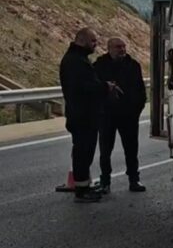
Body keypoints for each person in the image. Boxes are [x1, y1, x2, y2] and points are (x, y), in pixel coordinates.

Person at [60, 28, 121, 203]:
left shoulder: (78, 59)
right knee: (83, 151)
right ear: (82, 40)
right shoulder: (75, 62)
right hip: (82, 115)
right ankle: (81, 189)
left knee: (85, 152)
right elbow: (85, 87)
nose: (96, 44)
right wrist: (105, 87)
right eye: (93, 41)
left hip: (85, 114)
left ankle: (84, 184)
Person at [94, 37, 147, 193]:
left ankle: (134, 180)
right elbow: (95, 89)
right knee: (105, 150)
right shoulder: (99, 66)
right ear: (109, 48)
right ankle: (105, 181)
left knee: (131, 149)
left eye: (123, 47)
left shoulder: (133, 66)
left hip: (129, 116)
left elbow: (141, 91)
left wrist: (136, 109)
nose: (122, 50)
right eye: (118, 47)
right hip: (107, 115)